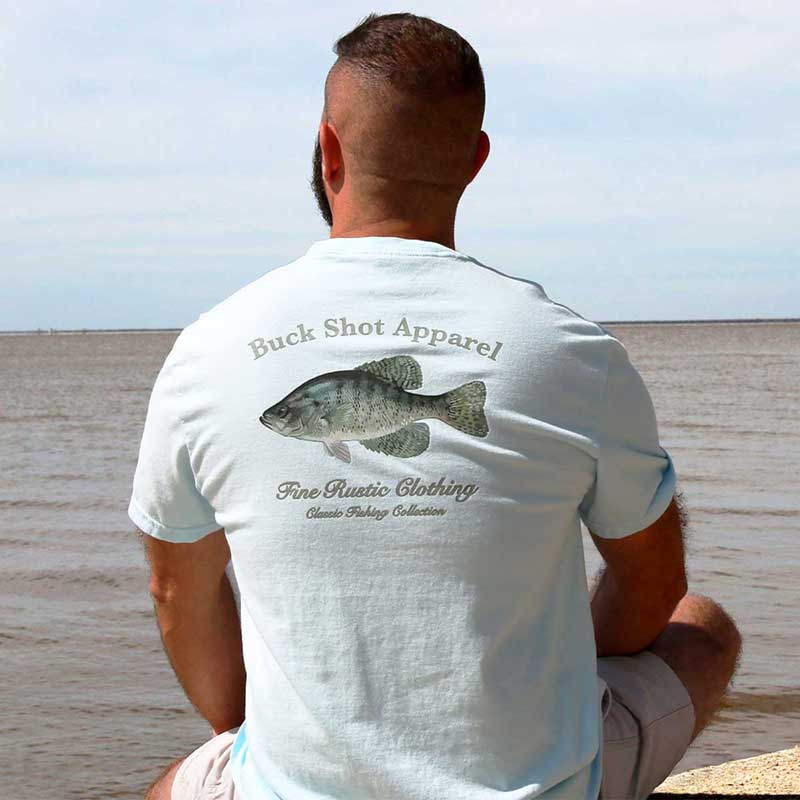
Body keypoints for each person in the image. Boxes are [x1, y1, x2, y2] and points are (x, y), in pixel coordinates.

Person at [129, 12, 742, 800]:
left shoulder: (205, 351)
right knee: (705, 627)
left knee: (175, 783)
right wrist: (551, 689)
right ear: (476, 159)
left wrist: (246, 730)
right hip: (544, 786)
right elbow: (654, 586)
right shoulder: (574, 352)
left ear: (328, 151)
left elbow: (177, 591)